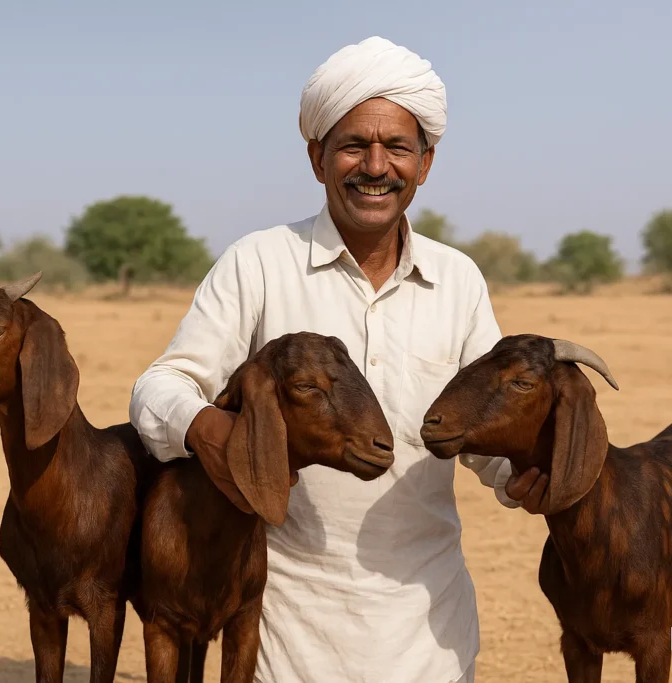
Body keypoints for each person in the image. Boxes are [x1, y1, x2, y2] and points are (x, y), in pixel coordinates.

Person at [129, 36, 540, 683]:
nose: (375, 166)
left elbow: (484, 436)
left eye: (397, 147)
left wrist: (528, 470)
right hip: (281, 634)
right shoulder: (258, 262)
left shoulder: (459, 280)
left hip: (429, 634)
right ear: (317, 156)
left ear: (426, 162)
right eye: (353, 144)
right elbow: (159, 386)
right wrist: (213, 433)